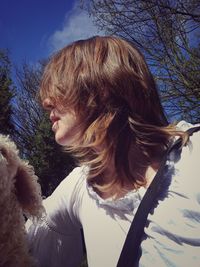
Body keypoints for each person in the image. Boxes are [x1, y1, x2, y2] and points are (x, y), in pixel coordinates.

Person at [26, 36, 200, 267]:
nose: (47, 102)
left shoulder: (193, 154)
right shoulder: (80, 184)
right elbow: (21, 246)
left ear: (103, 88)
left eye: (61, 87)